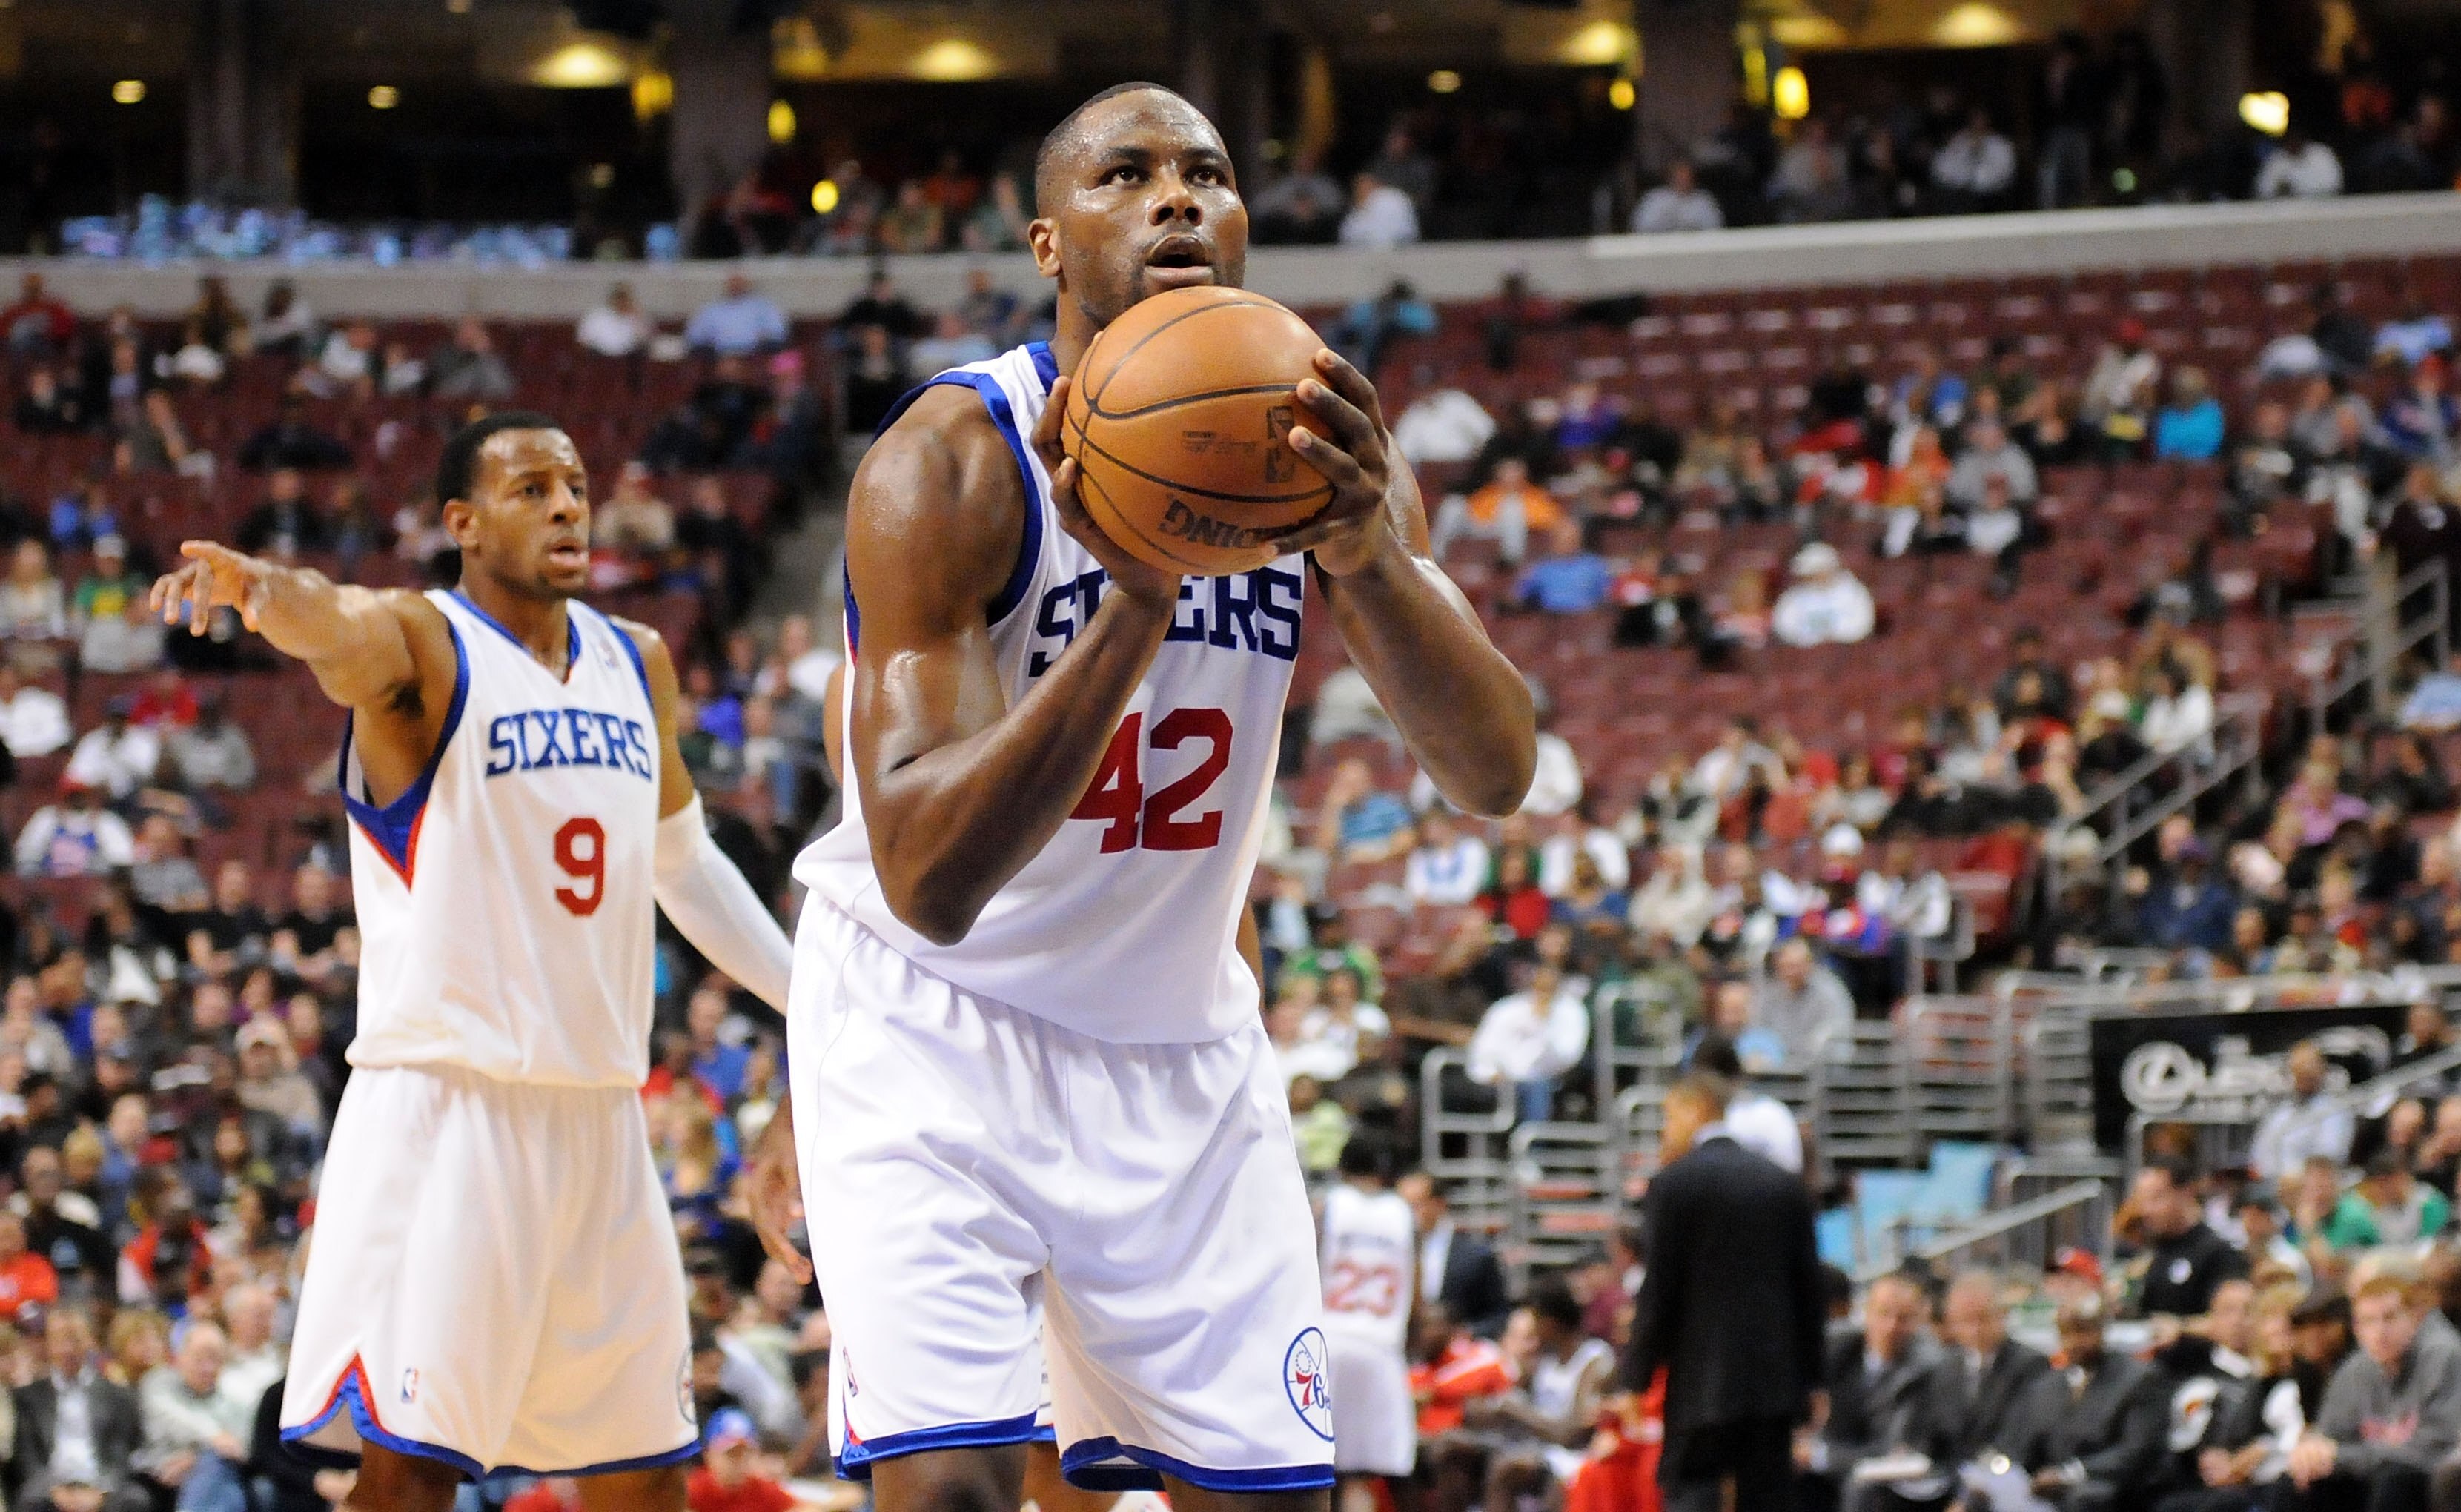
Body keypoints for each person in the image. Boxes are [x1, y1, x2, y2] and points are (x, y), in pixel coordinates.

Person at [743, 81, 1531, 1509]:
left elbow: (1494, 772)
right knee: (962, 1493)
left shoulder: (1324, 452)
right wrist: (1133, 601)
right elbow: (925, 875)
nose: (1178, 197)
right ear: (1048, 244)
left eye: (1208, 172)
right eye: (1126, 174)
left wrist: (1365, 556)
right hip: (935, 1030)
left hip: (1176, 1047)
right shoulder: (952, 459)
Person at [148, 411, 796, 1507]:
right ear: (463, 522)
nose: (565, 506)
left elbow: (685, 870)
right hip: (451, 1112)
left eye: (577, 485)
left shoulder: (636, 662)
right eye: (532, 487)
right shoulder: (424, 646)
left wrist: (818, 999)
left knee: (643, 1478)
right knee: (407, 1482)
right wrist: (262, 586)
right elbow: (340, 623)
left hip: (599, 1114)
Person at [1622, 1072, 1825, 1512]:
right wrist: (1815, 1377)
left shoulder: (1673, 1184)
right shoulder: (1783, 1184)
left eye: (1670, 1117)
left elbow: (1659, 1292)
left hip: (1702, 1382)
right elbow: (1809, 1290)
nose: (1665, 1130)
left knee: (1693, 1494)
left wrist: (1634, 1379)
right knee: (1767, 1499)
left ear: (1697, 1109)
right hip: (1775, 1381)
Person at [2292, 1273, 2458, 1509]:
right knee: (2300, 1481)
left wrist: (2343, 1457)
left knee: (2395, 1479)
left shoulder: (2442, 1356)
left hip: (2425, 1477)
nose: (2380, 1332)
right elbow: (2329, 1438)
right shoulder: (2354, 1370)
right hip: (2371, 1473)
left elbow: (2435, 1447)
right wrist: (2311, 1451)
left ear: (2414, 1318)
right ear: (2357, 1329)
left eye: (2389, 1318)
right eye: (2369, 1321)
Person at [1318, 1138, 1415, 1512]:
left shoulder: (1328, 1206)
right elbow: (1417, 1289)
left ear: (1342, 1168)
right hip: (1381, 1345)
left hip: (1329, 1341)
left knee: (1323, 1467)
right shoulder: (1403, 1213)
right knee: (1363, 1474)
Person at [1803, 1270, 1939, 1512]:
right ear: (1866, 1313)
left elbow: (1895, 1449)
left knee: (1861, 1489)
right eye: (1883, 1313)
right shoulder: (1837, 1352)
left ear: (1918, 1322)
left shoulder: (1927, 1369)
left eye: (1903, 1318)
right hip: (1832, 1468)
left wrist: (1821, 1456)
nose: (1891, 1327)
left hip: (1890, 1485)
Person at [14, 1307, 148, 1512]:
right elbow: (28, 1456)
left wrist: (102, 1490)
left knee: (135, 1499)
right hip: (49, 1488)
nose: (68, 1350)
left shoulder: (118, 1396)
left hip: (102, 1485)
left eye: (75, 1340)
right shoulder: (29, 1397)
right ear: (48, 1345)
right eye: (60, 1341)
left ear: (90, 1341)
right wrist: (53, 1490)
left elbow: (121, 1452)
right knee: (30, 1500)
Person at [1465, 963, 1591, 1124]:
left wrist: (1541, 1023)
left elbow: (1568, 1057)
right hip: (1501, 1080)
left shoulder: (1570, 1011)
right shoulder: (1507, 1009)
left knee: (1538, 1087)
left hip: (1549, 1080)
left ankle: (1533, 1146)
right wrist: (1490, 1072)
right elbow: (1483, 1047)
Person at [2130, 1158, 2249, 1322]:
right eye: (2142, 1200)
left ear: (2186, 1192)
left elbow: (2230, 1321)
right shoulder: (2152, 1251)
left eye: (2157, 1198)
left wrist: (2181, 1329)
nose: (2147, 1210)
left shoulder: (2217, 1253)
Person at [1398, 1170, 1510, 1337]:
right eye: (1401, 1205)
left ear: (1439, 1204)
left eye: (1415, 1205)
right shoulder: (1386, 1253)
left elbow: (1499, 1317)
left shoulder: (1476, 1257)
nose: (1406, 1213)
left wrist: (1466, 1334)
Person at [2253, 1042, 2356, 1184]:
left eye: (2309, 1068)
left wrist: (2293, 1177)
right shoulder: (2281, 1112)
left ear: (2322, 1071)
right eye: (2299, 1069)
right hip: (2272, 1186)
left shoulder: (2335, 1110)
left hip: (2312, 1187)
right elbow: (2261, 1153)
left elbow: (2330, 1156)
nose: (2304, 1074)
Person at [1772, 542, 1875, 648]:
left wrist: (1836, 637)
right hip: (1805, 653)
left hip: (1847, 651)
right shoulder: (1793, 596)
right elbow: (1784, 626)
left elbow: (1863, 624)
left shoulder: (1854, 592)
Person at [684, 275, 786, 357]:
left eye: (739, 283)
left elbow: (778, 332)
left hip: (754, 354)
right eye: (732, 283)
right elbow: (694, 335)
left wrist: (762, 337)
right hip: (718, 355)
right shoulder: (712, 309)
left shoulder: (763, 307)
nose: (736, 287)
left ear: (747, 285)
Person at [1632, 160, 1723, 233]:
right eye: (1679, 177)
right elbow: (1640, 226)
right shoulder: (1654, 198)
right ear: (1670, 178)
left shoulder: (1704, 200)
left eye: (1686, 177)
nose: (1683, 181)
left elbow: (1715, 228)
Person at [577, 285, 650, 359]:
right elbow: (583, 340)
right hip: (599, 357)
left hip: (628, 358)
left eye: (624, 299)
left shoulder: (635, 315)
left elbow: (644, 339)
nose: (621, 302)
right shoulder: (595, 315)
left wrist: (636, 318)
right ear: (612, 299)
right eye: (619, 298)